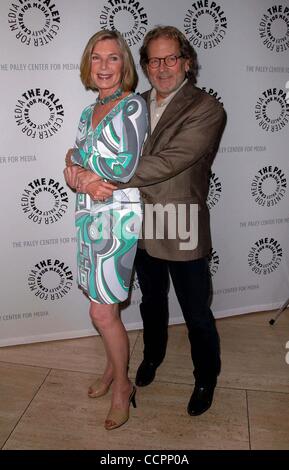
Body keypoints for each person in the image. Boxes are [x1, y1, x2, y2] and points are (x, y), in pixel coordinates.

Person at [68, 25, 226, 417]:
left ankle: (206, 376)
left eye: (171, 58)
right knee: (152, 302)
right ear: (144, 65)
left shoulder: (206, 108)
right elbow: (92, 145)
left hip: (180, 220)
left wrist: (99, 176)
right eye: (154, 59)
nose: (162, 67)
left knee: (195, 309)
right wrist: (75, 164)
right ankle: (151, 358)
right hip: (136, 222)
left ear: (186, 62)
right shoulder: (132, 103)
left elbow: (172, 160)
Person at [63, 29, 148, 430]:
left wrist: (80, 173)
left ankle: (122, 387)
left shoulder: (132, 107)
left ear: (124, 65)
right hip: (87, 216)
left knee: (101, 312)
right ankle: (112, 370)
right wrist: (80, 176)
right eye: (96, 58)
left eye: (112, 58)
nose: (103, 67)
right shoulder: (86, 112)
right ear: (88, 63)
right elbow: (72, 157)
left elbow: (124, 169)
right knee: (104, 309)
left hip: (118, 219)